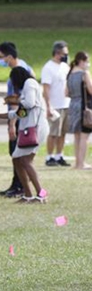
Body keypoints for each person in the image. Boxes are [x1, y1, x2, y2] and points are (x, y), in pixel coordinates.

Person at [8, 67, 49, 203]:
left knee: (25, 161)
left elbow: (29, 104)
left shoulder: (29, 83)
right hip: (29, 128)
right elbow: (21, 114)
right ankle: (28, 194)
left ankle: (41, 194)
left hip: (36, 129)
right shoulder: (27, 87)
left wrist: (16, 101)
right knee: (16, 158)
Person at [0, 41, 33, 198]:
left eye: (1, 57)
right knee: (16, 154)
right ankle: (17, 184)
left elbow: (17, 103)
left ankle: (20, 187)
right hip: (22, 117)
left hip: (20, 119)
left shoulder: (18, 72)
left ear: (10, 56)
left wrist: (11, 125)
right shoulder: (24, 66)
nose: (1, 61)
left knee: (17, 154)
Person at [41, 40, 72, 167]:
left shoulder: (65, 67)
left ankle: (59, 155)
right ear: (57, 53)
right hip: (55, 105)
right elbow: (46, 89)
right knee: (53, 133)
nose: (66, 56)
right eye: (65, 53)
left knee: (63, 133)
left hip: (66, 104)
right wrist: (48, 106)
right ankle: (49, 157)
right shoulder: (48, 68)